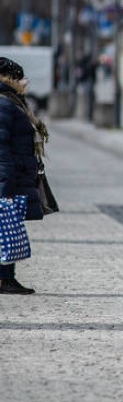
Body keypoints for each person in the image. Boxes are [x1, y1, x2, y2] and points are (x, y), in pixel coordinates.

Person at [0, 57, 48, 294]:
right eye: (20, 77)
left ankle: (7, 278)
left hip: (15, 174)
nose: (25, 82)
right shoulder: (4, 103)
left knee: (8, 228)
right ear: (8, 78)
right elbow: (1, 149)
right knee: (6, 228)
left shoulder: (11, 101)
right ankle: (5, 279)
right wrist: (5, 187)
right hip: (10, 177)